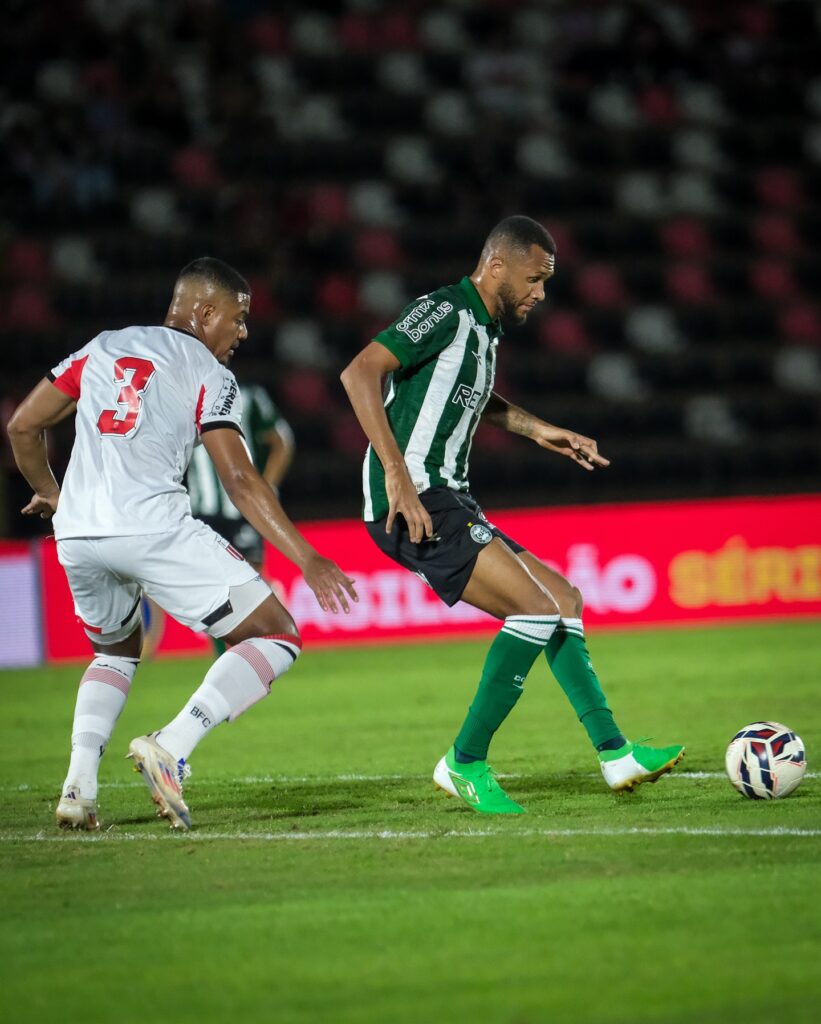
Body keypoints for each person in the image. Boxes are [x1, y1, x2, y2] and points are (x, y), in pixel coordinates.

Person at [340, 215, 684, 815]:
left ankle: (616, 754)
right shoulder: (445, 311)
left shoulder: (484, 331)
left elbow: (474, 397)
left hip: (449, 494)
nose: (541, 293)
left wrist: (539, 429)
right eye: (534, 278)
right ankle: (464, 762)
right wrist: (396, 474)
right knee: (535, 608)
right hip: (414, 497)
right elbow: (360, 371)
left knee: (564, 599)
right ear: (496, 265)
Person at [8, 257, 357, 832]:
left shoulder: (102, 346)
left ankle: (78, 788)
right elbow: (239, 479)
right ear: (205, 311)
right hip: (152, 526)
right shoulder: (209, 373)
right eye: (238, 318)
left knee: (115, 653)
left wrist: (50, 492)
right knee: (276, 633)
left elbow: (23, 426)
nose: (243, 332)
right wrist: (307, 557)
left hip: (77, 533)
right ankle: (172, 745)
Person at [187, 379, 295, 657]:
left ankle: (268, 645)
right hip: (202, 511)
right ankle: (224, 656)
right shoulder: (181, 393)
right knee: (212, 586)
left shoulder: (248, 395)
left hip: (243, 508)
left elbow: (282, 441)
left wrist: (267, 487)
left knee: (253, 580)